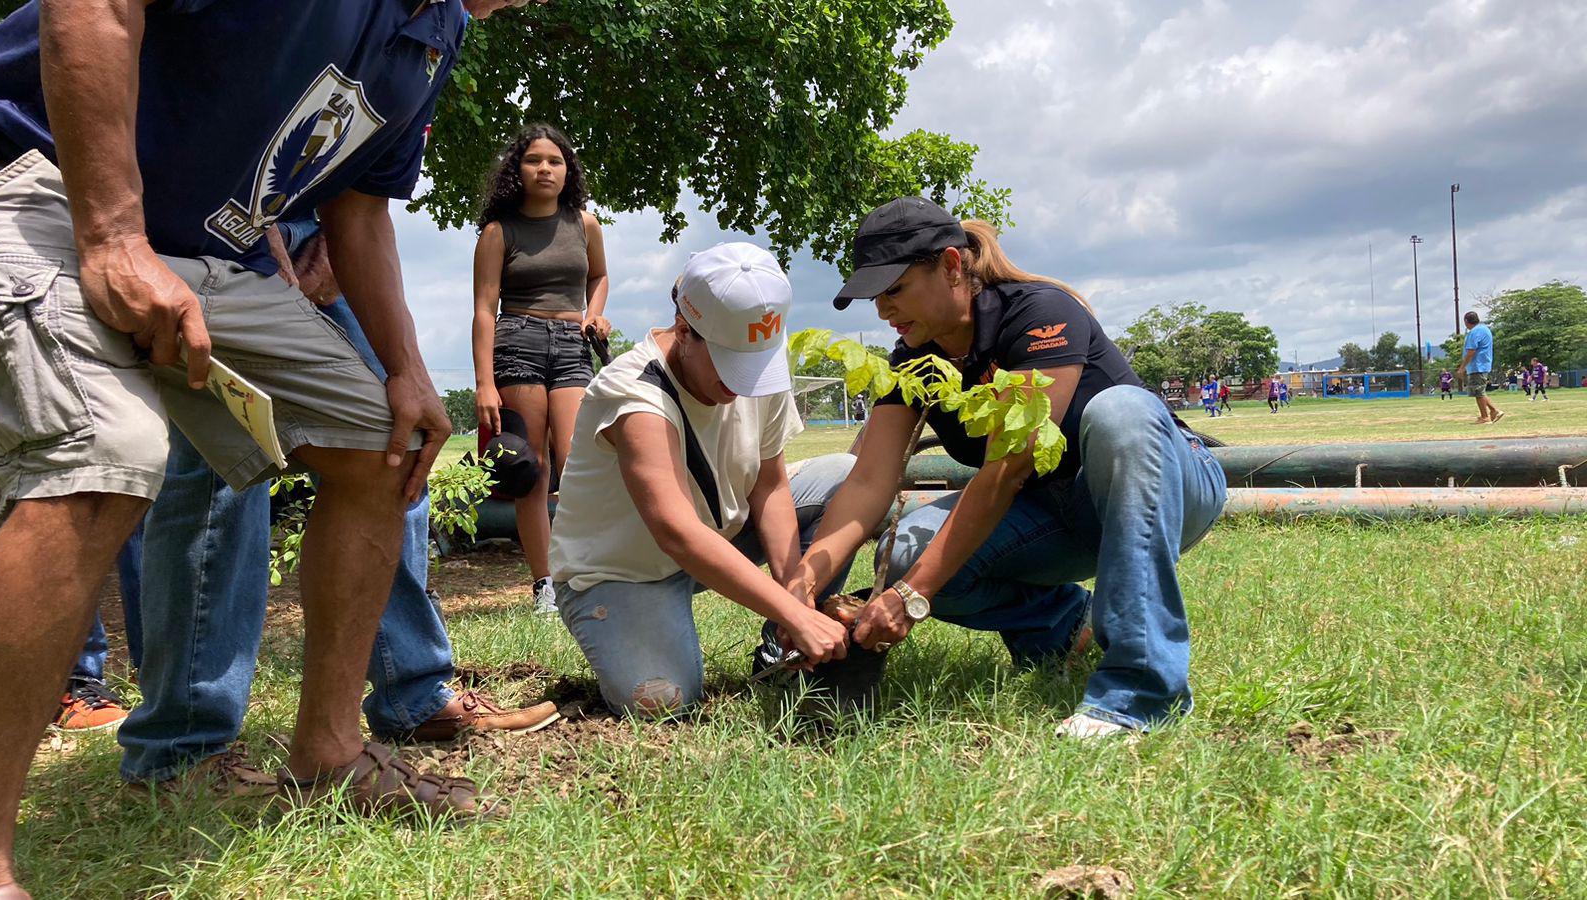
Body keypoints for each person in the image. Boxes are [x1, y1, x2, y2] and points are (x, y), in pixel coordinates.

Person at [0, 2, 550, 893]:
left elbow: (357, 208)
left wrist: (405, 368)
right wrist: (112, 235)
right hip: (41, 180)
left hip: (205, 253)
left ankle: (329, 752)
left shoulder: (434, 34)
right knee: (110, 451)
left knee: (382, 443)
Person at [115, 220, 558, 795]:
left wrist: (402, 357)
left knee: (395, 445)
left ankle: (412, 695)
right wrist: (267, 245)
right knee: (219, 467)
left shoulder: (395, 136)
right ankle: (180, 747)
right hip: (205, 243)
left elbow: (365, 200)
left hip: (319, 246)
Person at [794, 198, 1227, 740]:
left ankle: (1140, 694)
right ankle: (1069, 629)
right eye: (876, 297)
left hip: (1168, 487)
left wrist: (909, 599)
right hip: (1056, 512)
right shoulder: (912, 361)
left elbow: (1007, 469)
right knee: (910, 554)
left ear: (952, 266)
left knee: (1123, 412)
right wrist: (803, 581)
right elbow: (868, 481)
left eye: (895, 290)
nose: (884, 311)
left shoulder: (1040, 313)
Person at [549, 244, 853, 718]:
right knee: (664, 701)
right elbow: (677, 532)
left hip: (717, 536)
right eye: (731, 363)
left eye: (755, 362)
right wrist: (792, 612)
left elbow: (770, 484)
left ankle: (786, 652)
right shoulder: (633, 391)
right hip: (622, 572)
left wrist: (795, 591)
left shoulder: (756, 357)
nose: (743, 383)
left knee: (844, 479)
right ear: (685, 330)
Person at [471, 123, 609, 616]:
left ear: (567, 169)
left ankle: (584, 570)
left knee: (577, 460)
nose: (544, 168)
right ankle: (545, 585)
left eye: (554, 160)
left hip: (573, 344)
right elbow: (484, 309)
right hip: (518, 343)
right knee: (532, 469)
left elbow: (598, 275)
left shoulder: (585, 224)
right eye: (534, 160)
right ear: (518, 170)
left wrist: (595, 312)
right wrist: (484, 382)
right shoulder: (498, 231)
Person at [1459, 311, 1503, 424]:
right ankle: (1494, 411)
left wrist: (1462, 367)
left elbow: (1471, 351)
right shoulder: (1484, 329)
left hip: (1477, 365)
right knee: (1480, 391)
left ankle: (1485, 417)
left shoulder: (1474, 332)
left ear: (1466, 321)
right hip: (1483, 364)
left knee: (1478, 392)